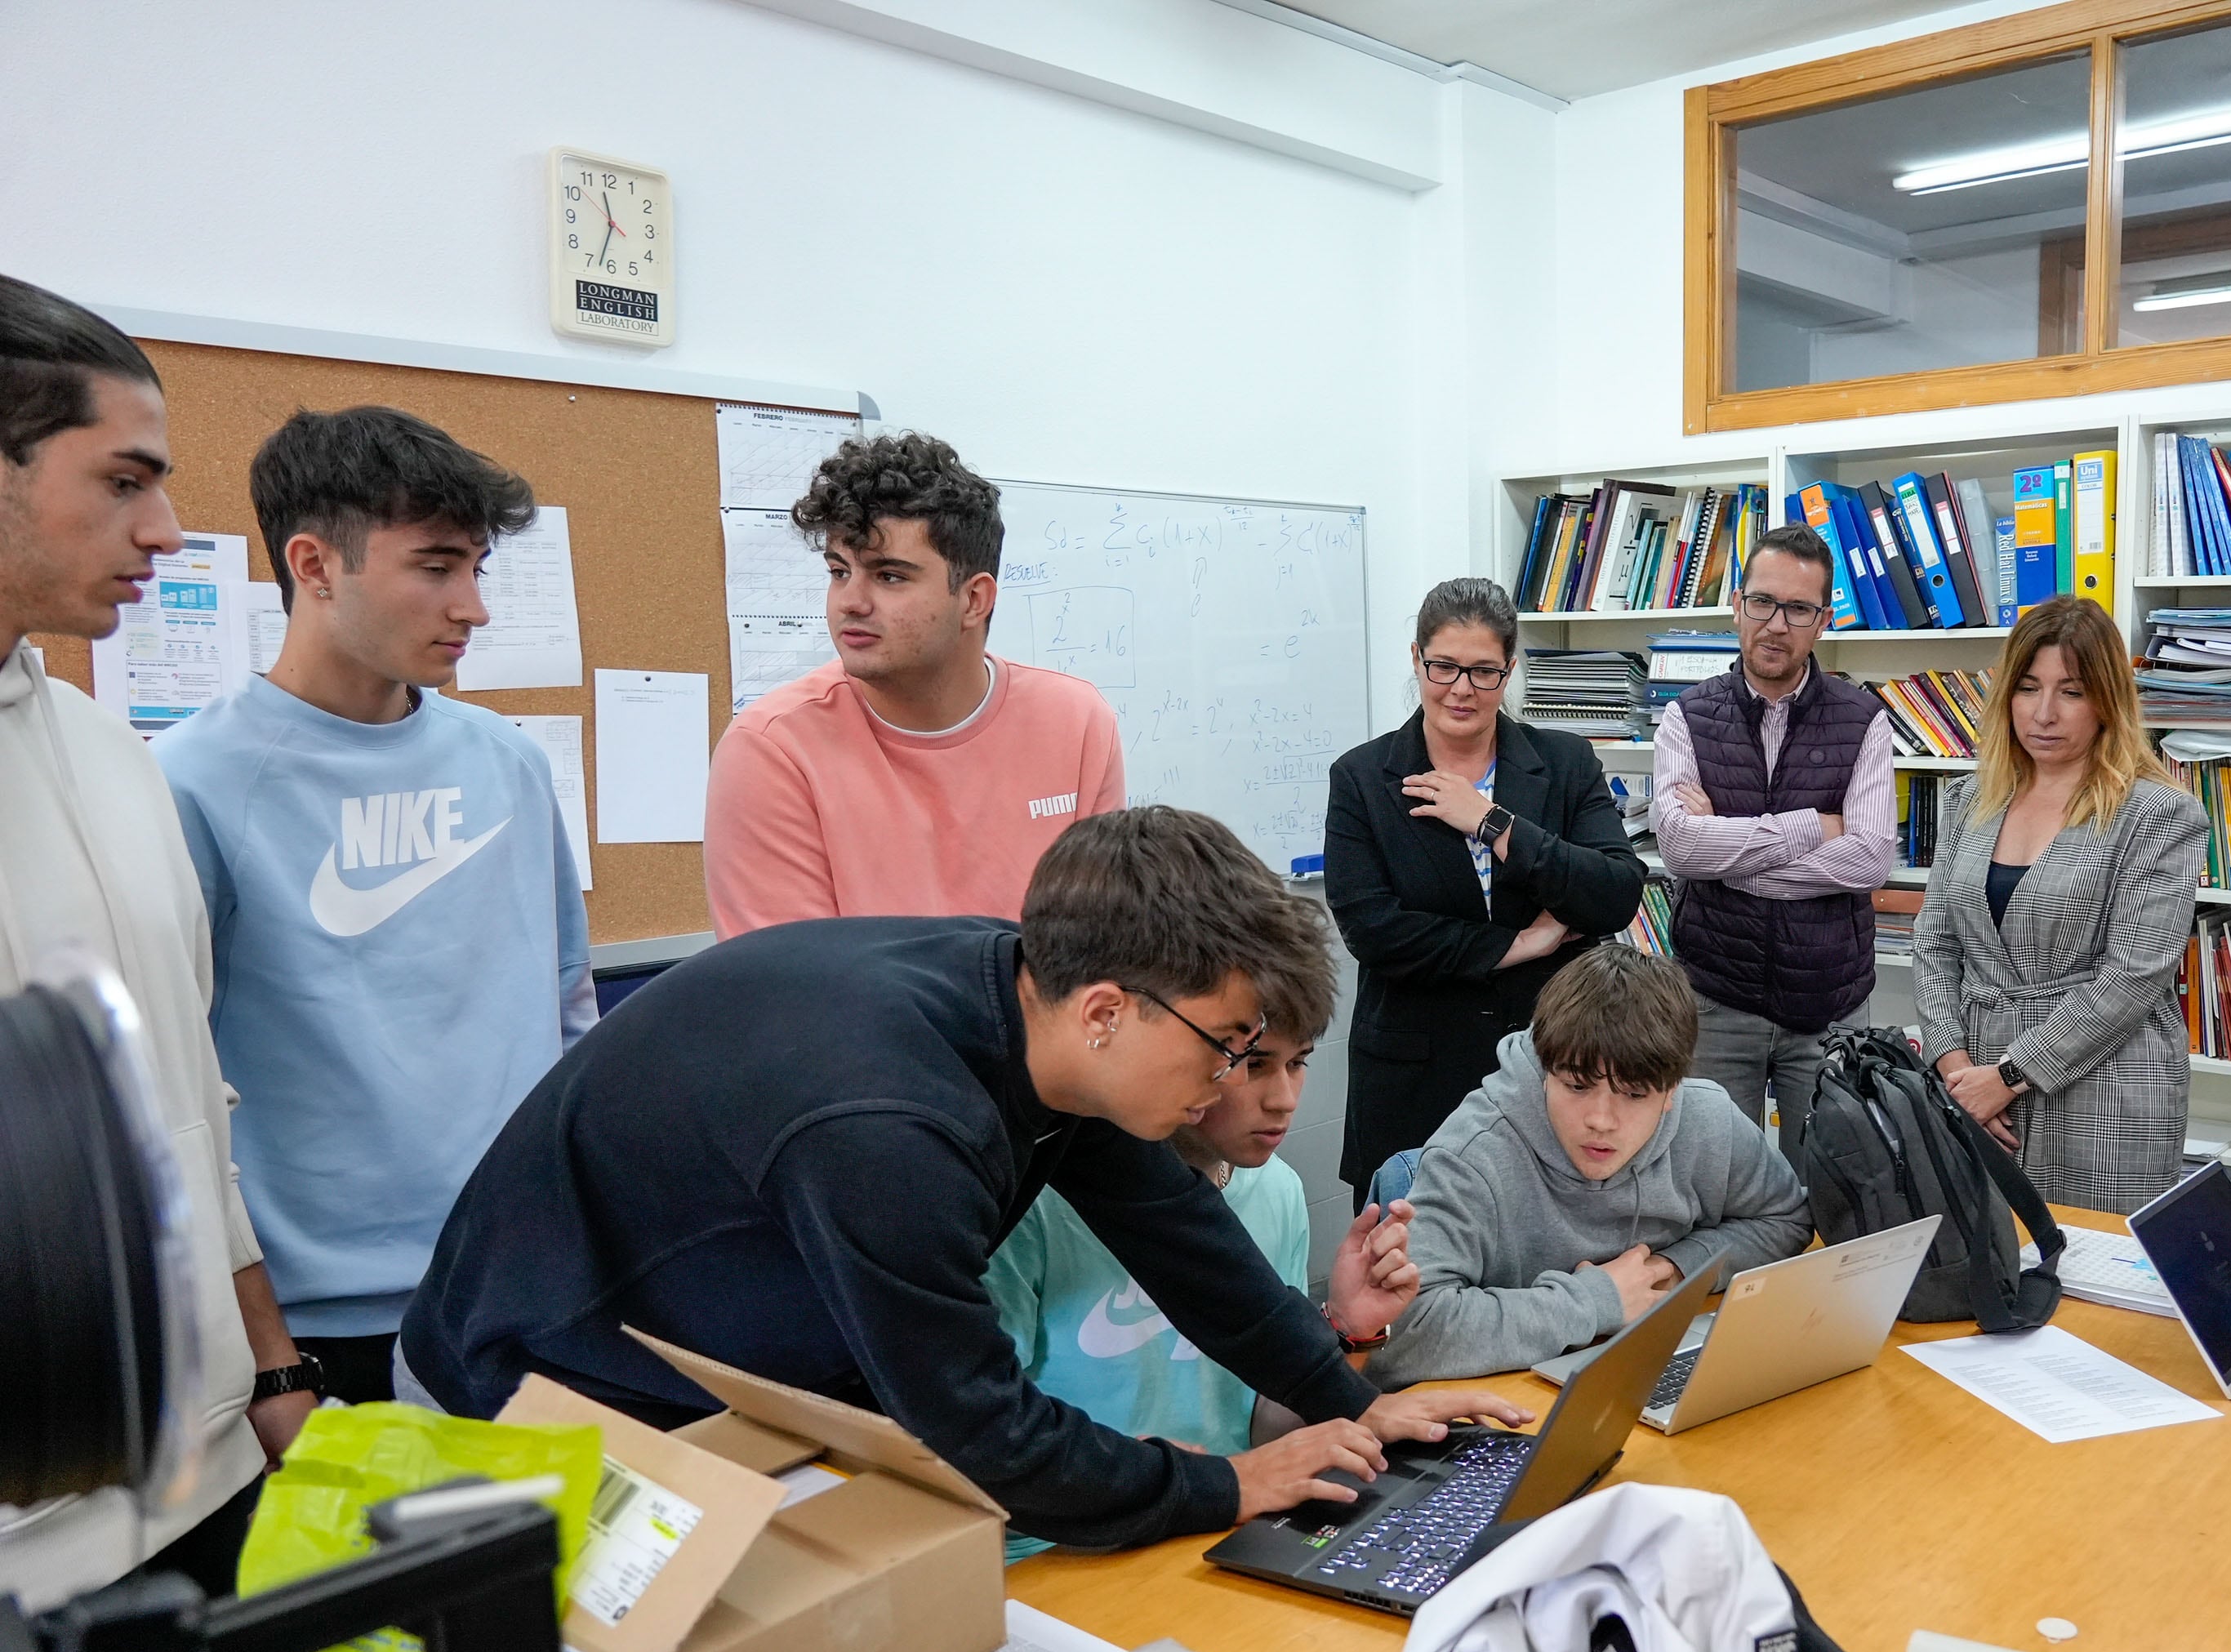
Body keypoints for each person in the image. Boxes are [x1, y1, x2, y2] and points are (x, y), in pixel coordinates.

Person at [399, 806, 1526, 1550]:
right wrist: (1236, 1485)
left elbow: (1182, 1238)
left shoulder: (1037, 1003)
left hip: (734, 1344)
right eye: (1229, 1044)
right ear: (1105, 1012)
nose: (1236, 1081)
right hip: (552, 1378)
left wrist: (1360, 1400)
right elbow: (979, 1431)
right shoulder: (893, 1131)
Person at [153, 407, 594, 1409]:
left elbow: (570, 1017)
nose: (473, 607)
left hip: (521, 1286)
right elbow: (171, 1095)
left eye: (479, 568)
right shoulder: (190, 782)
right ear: (315, 565)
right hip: (318, 1327)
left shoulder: (510, 763)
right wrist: (268, 1357)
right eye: (437, 567)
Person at [0, 275, 305, 1607]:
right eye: (124, 481)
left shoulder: (109, 754)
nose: (169, 529)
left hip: (207, 1477)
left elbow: (191, 1095)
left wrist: (277, 1374)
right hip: (24, 1553)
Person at [982, 897, 1418, 1558]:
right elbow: (977, 1450)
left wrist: (1341, 1329)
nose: (1285, 1099)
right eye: (1251, 1062)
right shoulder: (1032, 1209)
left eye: (1298, 1063)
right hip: (1062, 1552)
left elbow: (1262, 1429)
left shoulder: (1276, 1191)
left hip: (1221, 1522)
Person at [701, 431, 1122, 935]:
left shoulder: (1075, 722)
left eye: (889, 576)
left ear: (973, 600)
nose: (849, 602)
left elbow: (1099, 950)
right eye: (839, 572)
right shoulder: (773, 751)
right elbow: (799, 994)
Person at [1325, 577, 1645, 1203]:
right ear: (1416, 659)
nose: (1461, 689)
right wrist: (1524, 943)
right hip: (1416, 1074)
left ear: (1510, 670)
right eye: (1443, 666)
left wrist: (1493, 822)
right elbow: (1376, 932)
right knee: (1409, 1279)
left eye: (1483, 672)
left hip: (1549, 1064)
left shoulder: (1564, 762)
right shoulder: (1363, 778)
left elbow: (1614, 893)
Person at [1364, 945, 1813, 1389]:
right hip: (1509, 1402)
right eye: (1577, 1086)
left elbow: (1785, 1219)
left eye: (1635, 1095)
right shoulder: (1472, 1153)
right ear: (1546, 1070)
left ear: (1673, 1089)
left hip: (1636, 1360)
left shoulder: (1708, 1118)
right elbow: (1406, 1333)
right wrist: (1598, 1302)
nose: (1601, 1120)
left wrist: (1671, 1269)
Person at [1913, 597, 2207, 1213]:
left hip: (2105, 1085)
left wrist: (2009, 1078)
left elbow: (2133, 977)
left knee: (2101, 1278)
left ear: (2106, 702)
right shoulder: (1969, 798)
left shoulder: (2158, 812)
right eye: (2028, 688)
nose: (2044, 714)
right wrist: (1955, 1065)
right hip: (1974, 1077)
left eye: (2071, 691)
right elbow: (1935, 942)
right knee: (1992, 1265)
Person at [1653, 523, 1897, 1164]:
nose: (1776, 623)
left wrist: (1730, 859)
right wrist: (1814, 826)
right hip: (1715, 1000)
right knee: (1713, 1188)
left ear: (1823, 620)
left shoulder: (1863, 719)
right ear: (1737, 605)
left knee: (1833, 1191)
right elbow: (1679, 850)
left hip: (1829, 1007)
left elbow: (1871, 857)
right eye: (1762, 602)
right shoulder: (1685, 716)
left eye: (1798, 609)